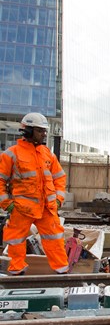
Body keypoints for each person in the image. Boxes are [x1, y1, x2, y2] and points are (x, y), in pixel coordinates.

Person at [0, 113, 69, 275]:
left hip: (47, 208)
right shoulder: (12, 154)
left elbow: (60, 177)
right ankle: (16, 271)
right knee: (15, 240)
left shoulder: (47, 154)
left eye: (44, 131)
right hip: (22, 209)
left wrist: (58, 200)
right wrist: (7, 205)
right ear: (28, 131)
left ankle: (62, 272)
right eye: (40, 131)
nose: (44, 134)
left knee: (55, 239)